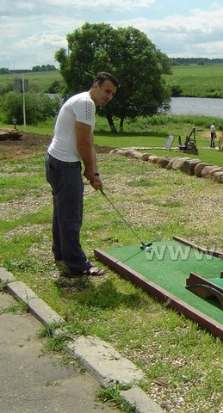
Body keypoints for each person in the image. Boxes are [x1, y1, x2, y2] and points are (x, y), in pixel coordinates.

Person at [45, 72, 119, 276]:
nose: (109, 96)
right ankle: (78, 265)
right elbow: (83, 142)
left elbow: (90, 143)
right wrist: (88, 169)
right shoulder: (86, 104)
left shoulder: (84, 102)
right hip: (65, 164)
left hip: (55, 160)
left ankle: (61, 252)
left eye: (112, 94)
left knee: (62, 211)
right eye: (107, 91)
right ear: (96, 85)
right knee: (71, 216)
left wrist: (94, 172)